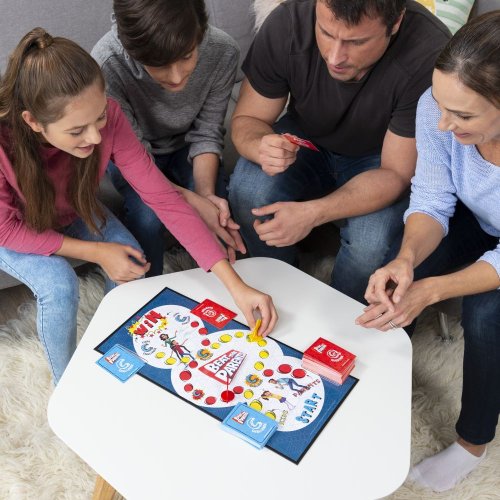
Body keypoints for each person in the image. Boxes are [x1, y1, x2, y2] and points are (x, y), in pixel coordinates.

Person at [0, 28, 277, 384]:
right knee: (59, 284)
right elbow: (6, 230)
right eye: (77, 131)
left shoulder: (110, 118)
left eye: (99, 117)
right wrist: (97, 252)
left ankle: (111, 353)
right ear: (33, 122)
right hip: (14, 229)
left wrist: (236, 286)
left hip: (71, 209)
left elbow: (163, 198)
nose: (95, 137)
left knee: (131, 258)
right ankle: (66, 383)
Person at [355, 11, 500, 492]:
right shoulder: (436, 110)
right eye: (440, 104)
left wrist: (434, 290)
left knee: (485, 312)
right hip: (478, 217)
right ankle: (369, 389)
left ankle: (472, 443)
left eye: (463, 116)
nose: (442, 123)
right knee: (399, 275)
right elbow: (433, 199)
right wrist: (407, 259)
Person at [228, 0, 451, 303]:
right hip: (305, 136)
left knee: (369, 247)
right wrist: (259, 145)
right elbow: (248, 120)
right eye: (326, 33)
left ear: (395, 23)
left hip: (381, 158)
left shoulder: (428, 54)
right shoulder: (288, 22)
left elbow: (395, 173)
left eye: (356, 42)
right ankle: (278, 293)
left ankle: (341, 317)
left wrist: (313, 213)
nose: (335, 57)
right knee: (248, 190)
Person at [92, 0, 244, 277]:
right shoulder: (107, 65)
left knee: (218, 209)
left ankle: (227, 289)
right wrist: (194, 203)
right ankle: (148, 291)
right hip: (131, 154)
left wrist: (205, 195)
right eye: (159, 64)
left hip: (187, 146)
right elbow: (138, 165)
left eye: (187, 56)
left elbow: (208, 131)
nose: (176, 77)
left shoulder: (223, 51)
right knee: (148, 217)